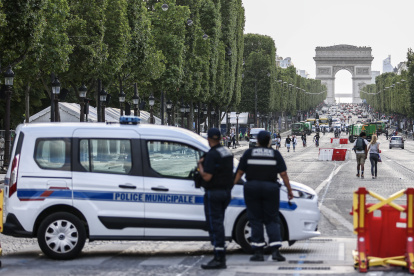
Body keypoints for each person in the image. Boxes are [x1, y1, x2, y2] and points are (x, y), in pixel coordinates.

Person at [233, 131, 294, 262]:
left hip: (252, 188)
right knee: (272, 219)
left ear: (258, 141)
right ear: (269, 141)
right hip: (270, 189)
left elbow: (239, 172)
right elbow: (283, 174)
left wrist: (230, 187)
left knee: (255, 220)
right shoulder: (275, 154)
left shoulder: (249, 154)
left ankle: (258, 252)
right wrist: (289, 190)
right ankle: (275, 251)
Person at [198, 128, 234, 269]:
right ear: (220, 138)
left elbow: (207, 176)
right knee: (219, 222)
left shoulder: (212, 155)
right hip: (226, 192)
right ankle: (220, 255)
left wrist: (200, 166)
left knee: (215, 224)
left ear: (208, 139)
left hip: (214, 192)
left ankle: (219, 257)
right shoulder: (227, 152)